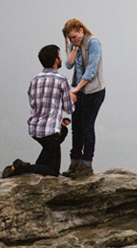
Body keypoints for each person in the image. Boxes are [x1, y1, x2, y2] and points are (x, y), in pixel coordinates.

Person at [2, 45, 76, 179]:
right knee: (53, 171)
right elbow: (69, 108)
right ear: (56, 60)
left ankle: (37, 166)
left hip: (35, 129)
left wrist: (57, 118)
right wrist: (72, 98)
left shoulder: (34, 80)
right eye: (59, 55)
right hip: (50, 133)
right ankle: (24, 167)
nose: (61, 58)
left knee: (61, 132)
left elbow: (35, 105)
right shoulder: (61, 80)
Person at [61, 18, 106, 178]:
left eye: (75, 36)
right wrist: (74, 48)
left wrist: (76, 89)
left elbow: (91, 70)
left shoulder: (93, 43)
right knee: (76, 128)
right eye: (70, 38)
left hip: (93, 91)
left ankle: (86, 164)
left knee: (87, 126)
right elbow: (68, 64)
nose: (74, 39)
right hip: (78, 91)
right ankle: (75, 162)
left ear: (81, 30)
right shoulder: (75, 45)